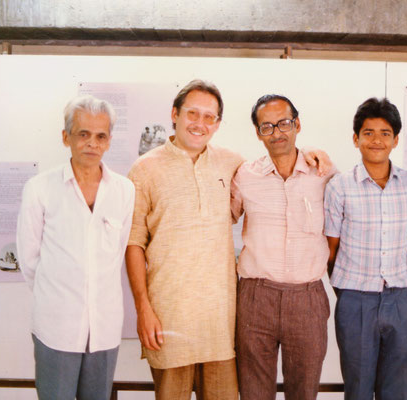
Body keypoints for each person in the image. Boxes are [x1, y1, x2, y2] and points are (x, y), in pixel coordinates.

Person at [125, 80, 329, 399]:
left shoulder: (232, 164)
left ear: (218, 123)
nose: (200, 123)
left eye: (210, 117)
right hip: (169, 317)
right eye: (193, 113)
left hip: (220, 324)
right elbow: (133, 242)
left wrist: (315, 153)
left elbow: (281, 161)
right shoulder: (146, 169)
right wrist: (143, 309)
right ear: (175, 114)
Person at [16, 95, 135, 400]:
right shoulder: (40, 188)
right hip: (56, 327)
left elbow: (117, 252)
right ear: (65, 136)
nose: (91, 143)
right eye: (83, 134)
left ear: (108, 141)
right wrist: (59, 295)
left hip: (104, 329)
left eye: (100, 136)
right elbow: (29, 260)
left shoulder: (124, 190)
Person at [231, 94, 335, 400]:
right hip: (255, 296)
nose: (277, 132)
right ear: (258, 132)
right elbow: (224, 217)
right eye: (267, 126)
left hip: (307, 297)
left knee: (304, 392)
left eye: (284, 123)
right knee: (253, 392)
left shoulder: (325, 174)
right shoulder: (245, 175)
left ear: (297, 124)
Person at [324, 97, 407, 400]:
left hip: (398, 298)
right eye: (368, 133)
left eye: (384, 133)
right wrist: (352, 293)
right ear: (356, 139)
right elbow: (332, 248)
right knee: (358, 387)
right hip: (355, 299)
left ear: (395, 140)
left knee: (397, 387)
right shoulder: (340, 186)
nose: (376, 140)